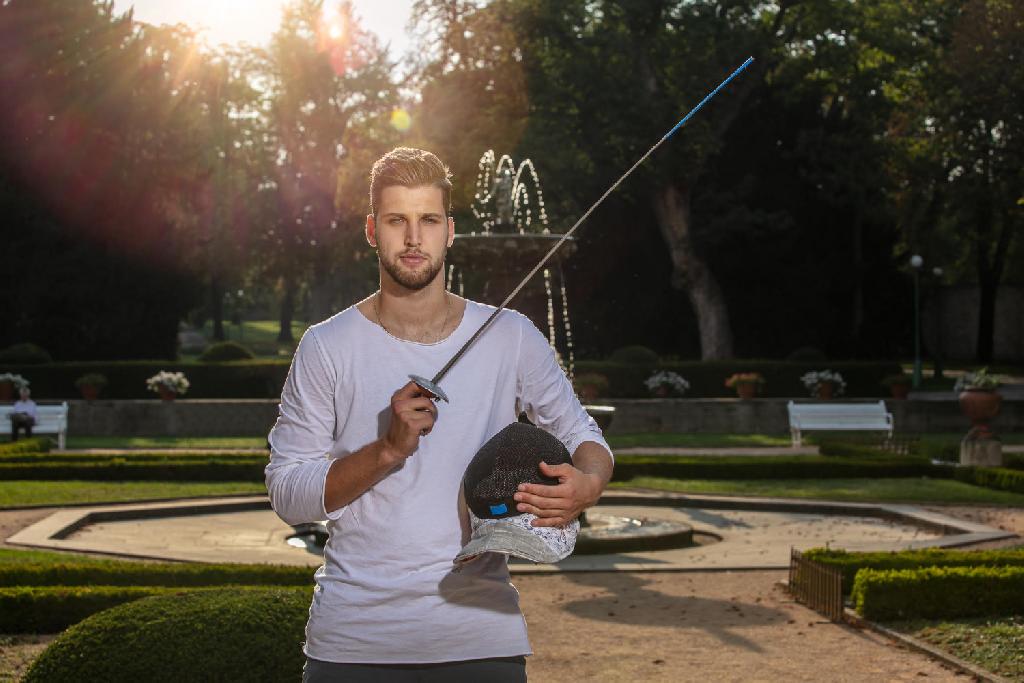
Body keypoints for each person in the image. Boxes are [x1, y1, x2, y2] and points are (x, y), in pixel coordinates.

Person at [265, 147, 614, 682]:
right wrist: (386, 451)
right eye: (396, 220)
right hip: (355, 643)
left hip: (479, 639)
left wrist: (588, 484)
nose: (412, 238)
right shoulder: (326, 346)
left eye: (428, 220)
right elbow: (288, 494)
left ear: (450, 231)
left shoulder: (510, 335)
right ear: (370, 229)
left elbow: (581, 432)